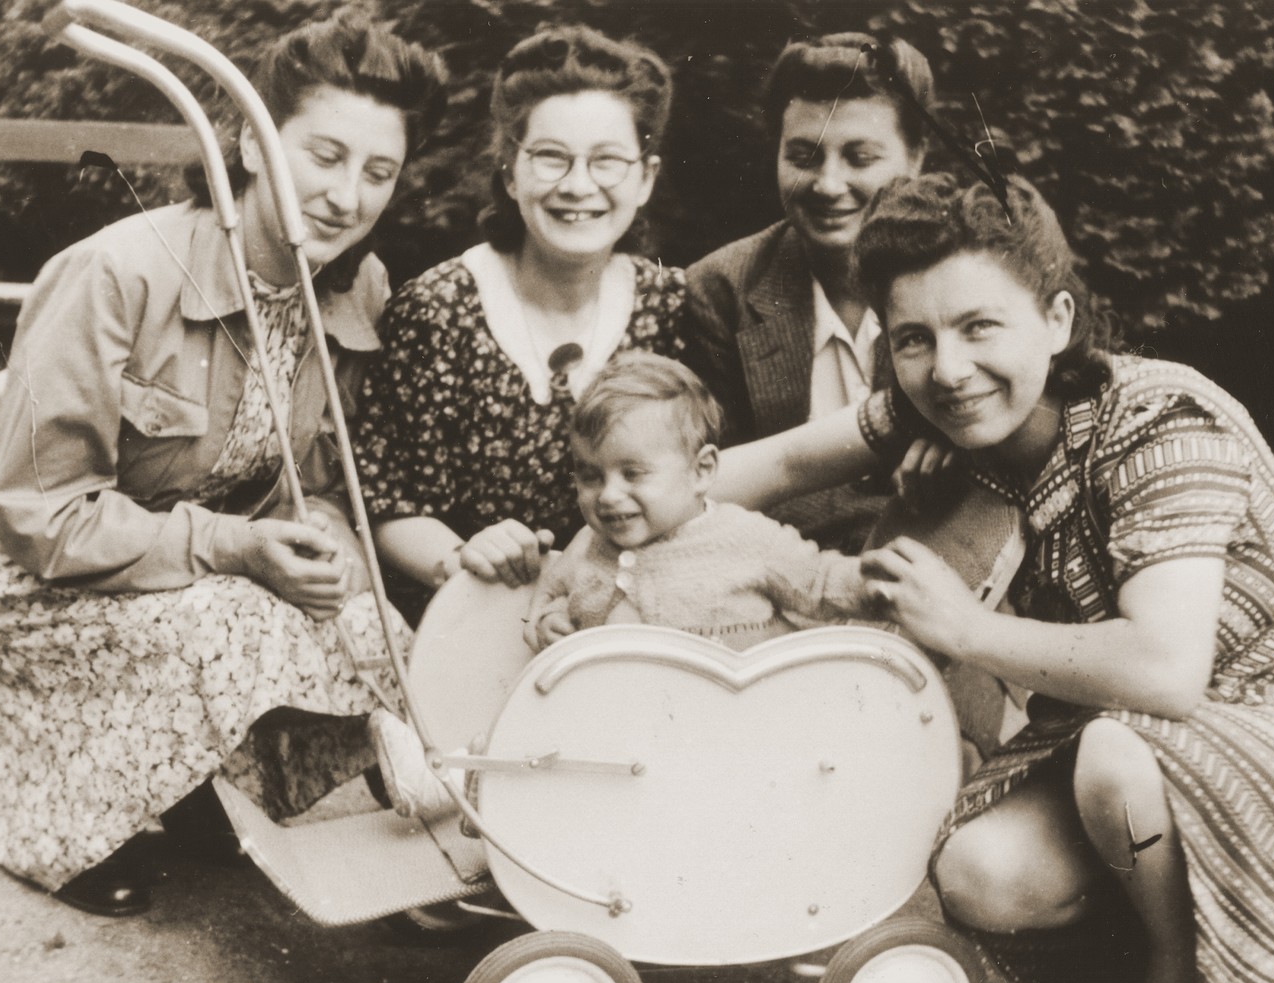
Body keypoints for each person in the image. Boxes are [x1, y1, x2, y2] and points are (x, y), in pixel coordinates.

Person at [726, 173, 1274, 983]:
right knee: (981, 875)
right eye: (913, 338)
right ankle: (1186, 947)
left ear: (1056, 320)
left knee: (1117, 761)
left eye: (981, 326)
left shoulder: (1160, 421)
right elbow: (771, 466)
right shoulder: (944, 406)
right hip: (1142, 736)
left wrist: (965, 630)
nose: (949, 366)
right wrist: (609, 521)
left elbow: (1164, 672)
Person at [0, 12, 448, 917]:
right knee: (232, 621)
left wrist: (320, 544)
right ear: (252, 143)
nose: (346, 195)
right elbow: (40, 515)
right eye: (323, 156)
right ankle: (68, 830)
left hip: (191, 555)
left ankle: (192, 780)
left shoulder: (356, 288)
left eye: (379, 172)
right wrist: (240, 549)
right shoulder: (117, 274)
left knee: (371, 630)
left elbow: (317, 482)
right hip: (30, 568)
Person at [352, 25, 685, 620]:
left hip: (633, 620)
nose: (578, 186)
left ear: (646, 177)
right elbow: (385, 501)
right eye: (551, 158)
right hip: (469, 618)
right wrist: (463, 557)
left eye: (607, 161)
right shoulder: (437, 311)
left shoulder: (674, 308)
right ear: (510, 173)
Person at [685, 32, 931, 552]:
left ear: (916, 159)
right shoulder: (722, 289)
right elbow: (708, 488)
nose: (827, 184)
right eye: (804, 156)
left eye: (860, 158)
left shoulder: (962, 277)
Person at [525, 351, 873, 652]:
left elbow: (820, 583)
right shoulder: (588, 550)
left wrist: (877, 586)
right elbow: (562, 599)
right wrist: (552, 621)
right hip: (626, 716)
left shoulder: (749, 539)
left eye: (632, 473)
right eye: (591, 477)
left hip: (733, 711)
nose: (608, 495)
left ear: (702, 470)